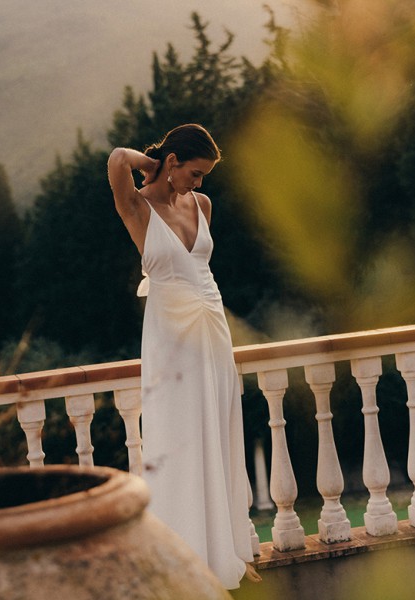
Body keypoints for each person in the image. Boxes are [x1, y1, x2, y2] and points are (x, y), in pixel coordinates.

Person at [107, 124, 260, 589]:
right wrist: (151, 165)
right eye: (195, 173)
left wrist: (179, 177)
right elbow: (116, 159)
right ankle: (185, 556)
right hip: (170, 336)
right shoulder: (137, 206)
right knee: (180, 437)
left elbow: (202, 267)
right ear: (173, 163)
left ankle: (229, 552)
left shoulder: (202, 205)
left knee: (219, 429)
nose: (200, 184)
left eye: (204, 176)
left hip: (212, 327)